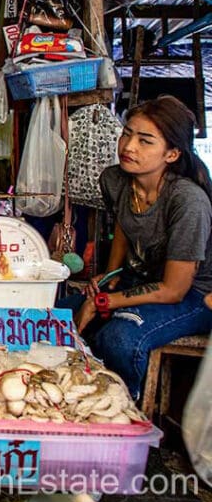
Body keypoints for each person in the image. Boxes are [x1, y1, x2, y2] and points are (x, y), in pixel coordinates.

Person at [60, 95, 212, 399]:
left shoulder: (187, 201)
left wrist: (104, 302)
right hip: (142, 280)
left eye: (145, 141)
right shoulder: (115, 180)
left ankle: (124, 407)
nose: (128, 146)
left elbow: (174, 290)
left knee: (119, 338)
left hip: (194, 295)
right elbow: (125, 225)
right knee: (57, 316)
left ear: (171, 154)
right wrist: (111, 275)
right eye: (127, 133)